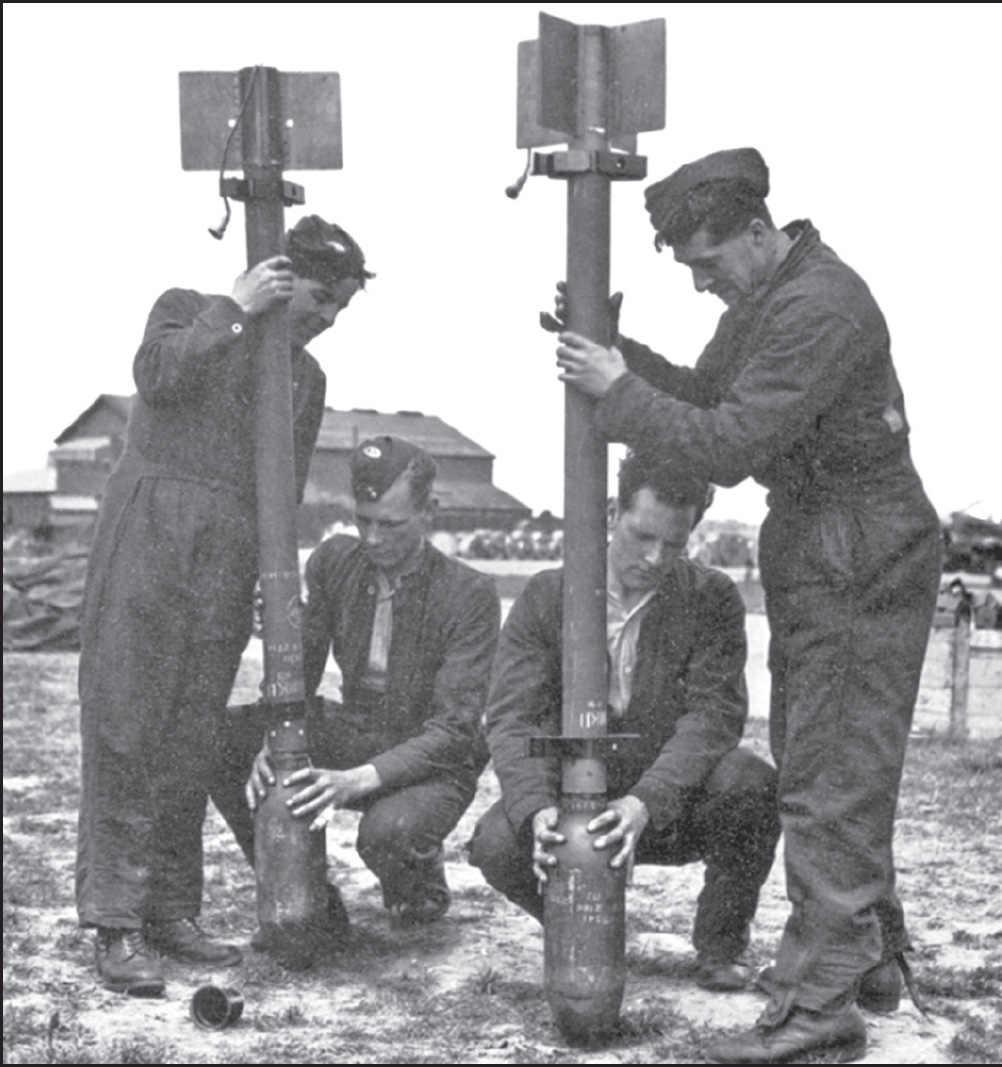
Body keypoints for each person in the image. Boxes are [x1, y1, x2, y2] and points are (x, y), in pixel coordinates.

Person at [553, 148, 942, 1063]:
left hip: (855, 544)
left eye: (706, 262)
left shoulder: (817, 307)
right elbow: (699, 392)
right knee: (826, 755)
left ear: (759, 233)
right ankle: (868, 958)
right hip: (827, 540)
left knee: (829, 774)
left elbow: (726, 442)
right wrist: (622, 358)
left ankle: (819, 1007)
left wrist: (617, 389)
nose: (700, 284)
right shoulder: (771, 297)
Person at [76, 215, 372, 995]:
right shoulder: (187, 307)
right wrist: (236, 309)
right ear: (278, 276)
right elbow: (158, 374)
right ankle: (115, 923)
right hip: (150, 531)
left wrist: (270, 578)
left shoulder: (304, 380)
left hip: (229, 554)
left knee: (191, 732)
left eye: (338, 310)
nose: (325, 320)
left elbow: (288, 487)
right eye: (317, 299)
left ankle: (171, 912)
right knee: (126, 726)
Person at [469, 450, 781, 993]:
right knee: (498, 840)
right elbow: (511, 718)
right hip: (574, 801)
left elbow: (715, 716)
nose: (656, 557)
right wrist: (537, 810)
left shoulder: (711, 599)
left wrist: (645, 803)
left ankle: (721, 946)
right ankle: (582, 923)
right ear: (613, 512)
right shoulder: (546, 596)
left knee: (750, 785)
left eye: (676, 544)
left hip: (666, 805)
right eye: (642, 537)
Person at [234, 436, 501, 927]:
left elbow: (453, 730)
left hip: (434, 760)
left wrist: (354, 780)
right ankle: (310, 899)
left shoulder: (471, 595)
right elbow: (302, 668)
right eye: (364, 520)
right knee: (230, 739)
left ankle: (417, 881)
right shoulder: (336, 561)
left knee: (388, 833)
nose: (373, 539)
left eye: (391, 524)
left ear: (429, 512)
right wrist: (274, 734)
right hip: (358, 729)